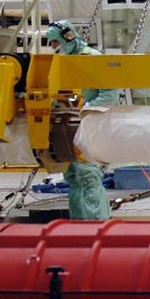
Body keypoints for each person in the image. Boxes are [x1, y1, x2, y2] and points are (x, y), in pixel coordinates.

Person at [44, 20, 122, 220]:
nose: (54, 47)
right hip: (68, 125)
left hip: (88, 124)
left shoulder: (91, 58)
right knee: (73, 176)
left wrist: (86, 112)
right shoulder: (63, 61)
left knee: (88, 176)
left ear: (68, 36)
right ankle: (78, 227)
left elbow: (110, 93)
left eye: (55, 42)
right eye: (51, 43)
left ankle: (95, 227)